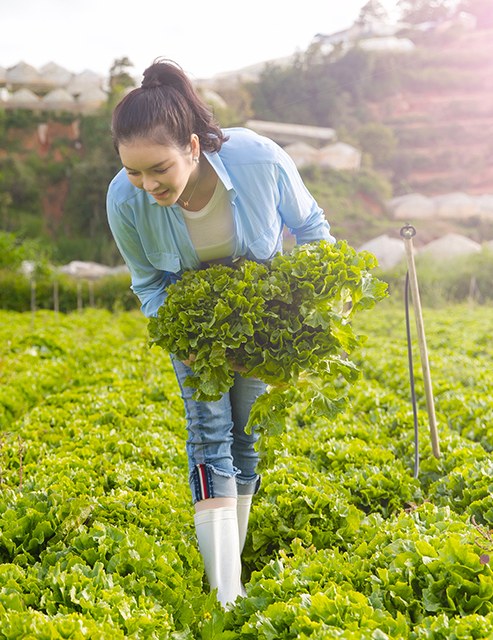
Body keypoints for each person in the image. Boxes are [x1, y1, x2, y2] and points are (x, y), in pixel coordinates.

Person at [105, 60, 334, 608]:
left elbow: (311, 227)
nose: (147, 184)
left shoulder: (257, 160)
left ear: (191, 145)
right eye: (134, 172)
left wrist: (310, 305)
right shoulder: (124, 200)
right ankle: (224, 590)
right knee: (209, 434)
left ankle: (231, 565)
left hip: (260, 319)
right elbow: (150, 284)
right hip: (191, 325)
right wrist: (187, 342)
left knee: (246, 435)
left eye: (157, 168)